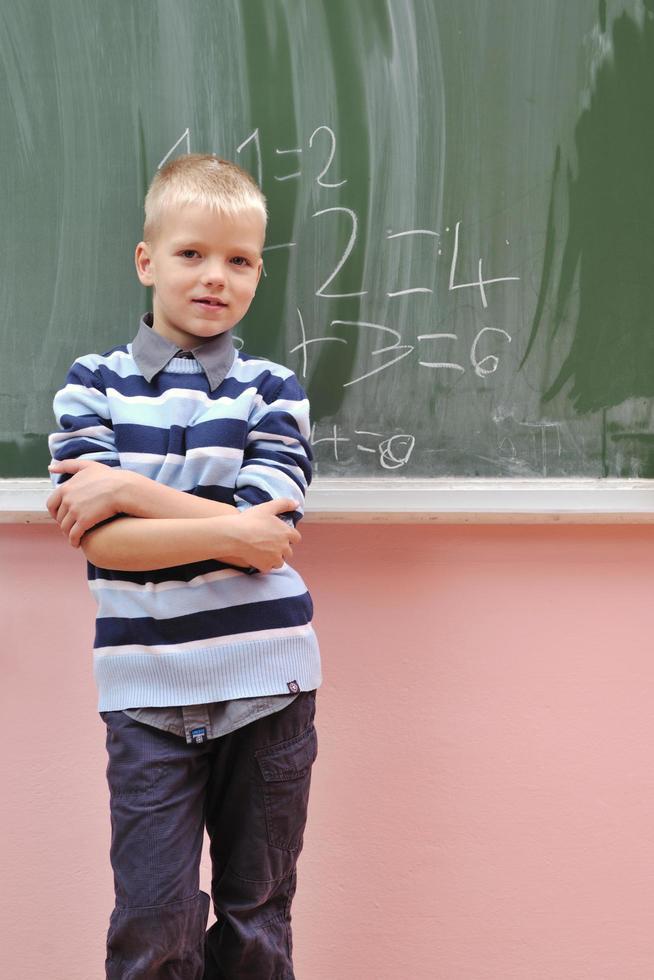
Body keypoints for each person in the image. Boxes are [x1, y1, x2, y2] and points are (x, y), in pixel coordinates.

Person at [46, 153, 322, 980]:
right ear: (147, 261)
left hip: (269, 689)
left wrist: (128, 487)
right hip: (147, 694)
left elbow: (270, 535)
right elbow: (104, 545)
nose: (215, 278)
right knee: (152, 925)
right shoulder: (89, 386)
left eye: (238, 261)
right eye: (192, 254)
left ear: (258, 275)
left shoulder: (273, 389)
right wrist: (229, 532)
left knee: (255, 924)